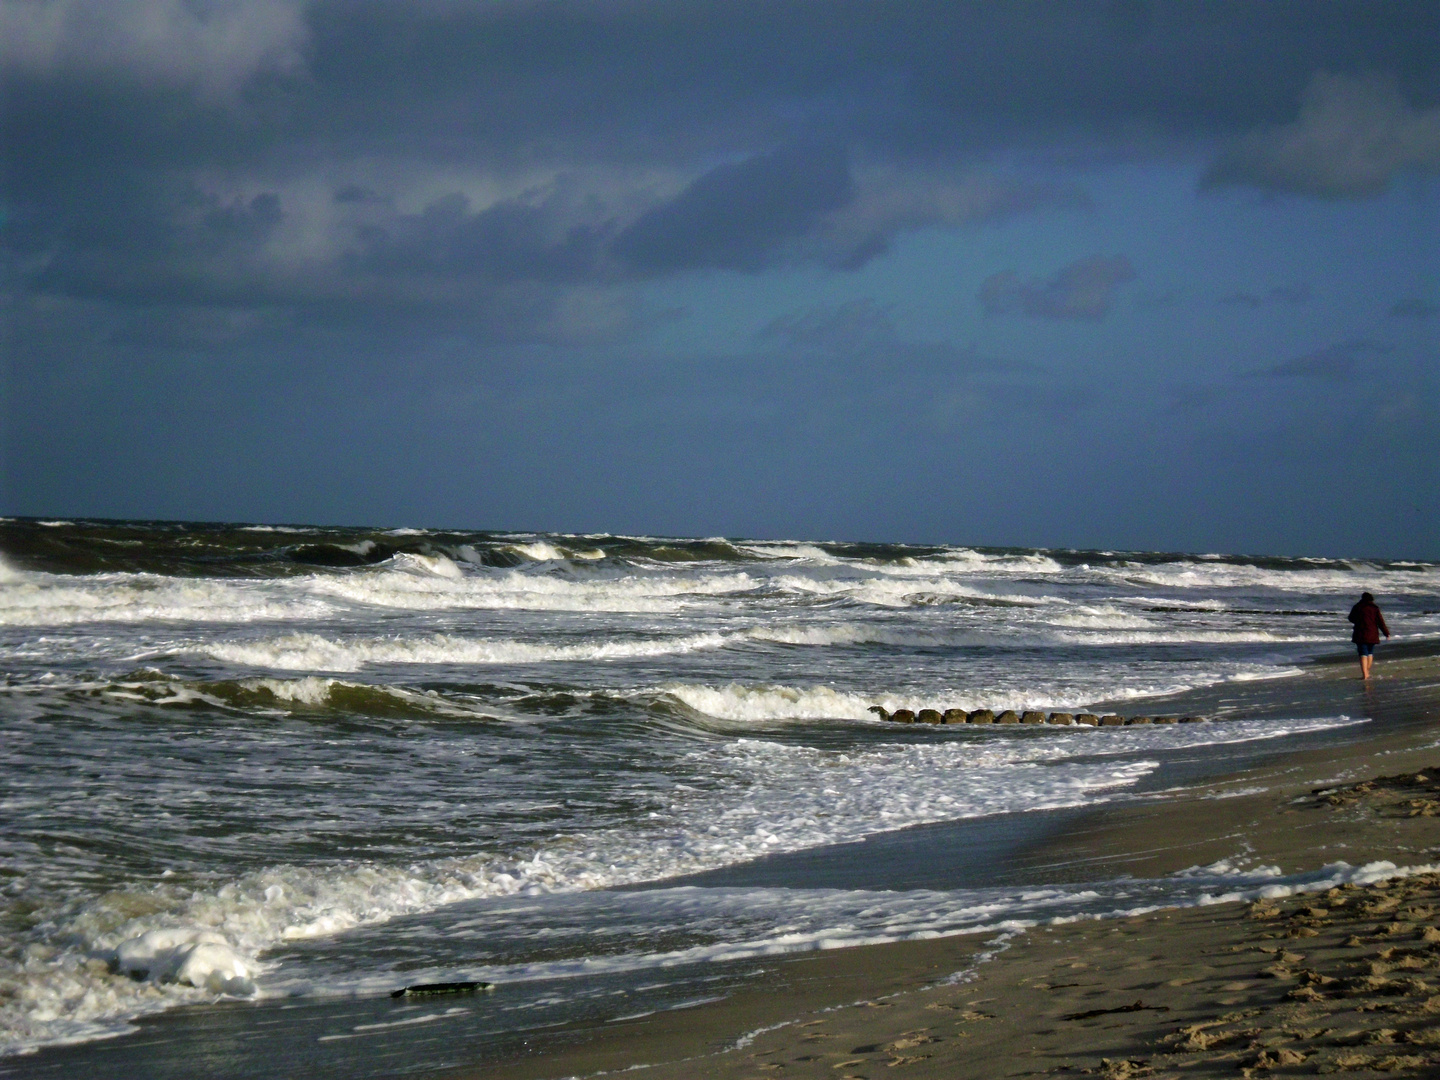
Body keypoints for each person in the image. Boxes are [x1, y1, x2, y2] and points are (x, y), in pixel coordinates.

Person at [1347, 592, 1390, 680]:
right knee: (1370, 652)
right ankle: (1367, 672)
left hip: (1360, 633)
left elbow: (1350, 618)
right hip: (1372, 633)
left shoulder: (1357, 607)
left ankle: (1365, 675)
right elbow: (1381, 622)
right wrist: (1386, 633)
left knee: (1363, 653)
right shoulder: (1375, 608)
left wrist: (1358, 622)